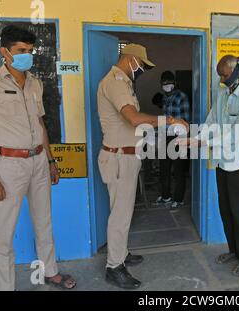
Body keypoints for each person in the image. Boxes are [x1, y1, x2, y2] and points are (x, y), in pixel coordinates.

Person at [0, 25, 76, 291]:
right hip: (9, 165)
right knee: (4, 233)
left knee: (44, 221)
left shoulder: (35, 83)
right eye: (20, 51)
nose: (27, 55)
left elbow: (41, 126)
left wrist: (51, 162)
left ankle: (50, 271)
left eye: (30, 51)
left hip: (39, 160)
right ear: (4, 51)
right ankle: (6, 287)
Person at [97, 44, 188, 289]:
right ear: (130, 60)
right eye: (143, 65)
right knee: (120, 214)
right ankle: (114, 266)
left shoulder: (123, 83)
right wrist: (169, 119)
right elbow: (134, 118)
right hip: (118, 158)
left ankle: (122, 253)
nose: (143, 70)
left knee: (124, 211)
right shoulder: (116, 81)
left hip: (125, 156)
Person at [180, 55, 239, 276]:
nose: (221, 79)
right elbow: (211, 121)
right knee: (225, 209)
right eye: (220, 75)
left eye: (224, 74)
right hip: (221, 162)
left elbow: (237, 131)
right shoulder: (222, 93)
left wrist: (202, 141)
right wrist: (195, 136)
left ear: (236, 71)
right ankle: (234, 250)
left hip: (238, 164)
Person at [155, 71, 191, 209]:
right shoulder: (164, 98)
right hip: (165, 135)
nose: (167, 85)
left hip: (178, 136)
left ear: (174, 83)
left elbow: (186, 120)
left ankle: (179, 198)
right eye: (164, 83)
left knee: (178, 170)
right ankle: (166, 196)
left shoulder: (182, 97)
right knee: (164, 168)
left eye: (169, 82)